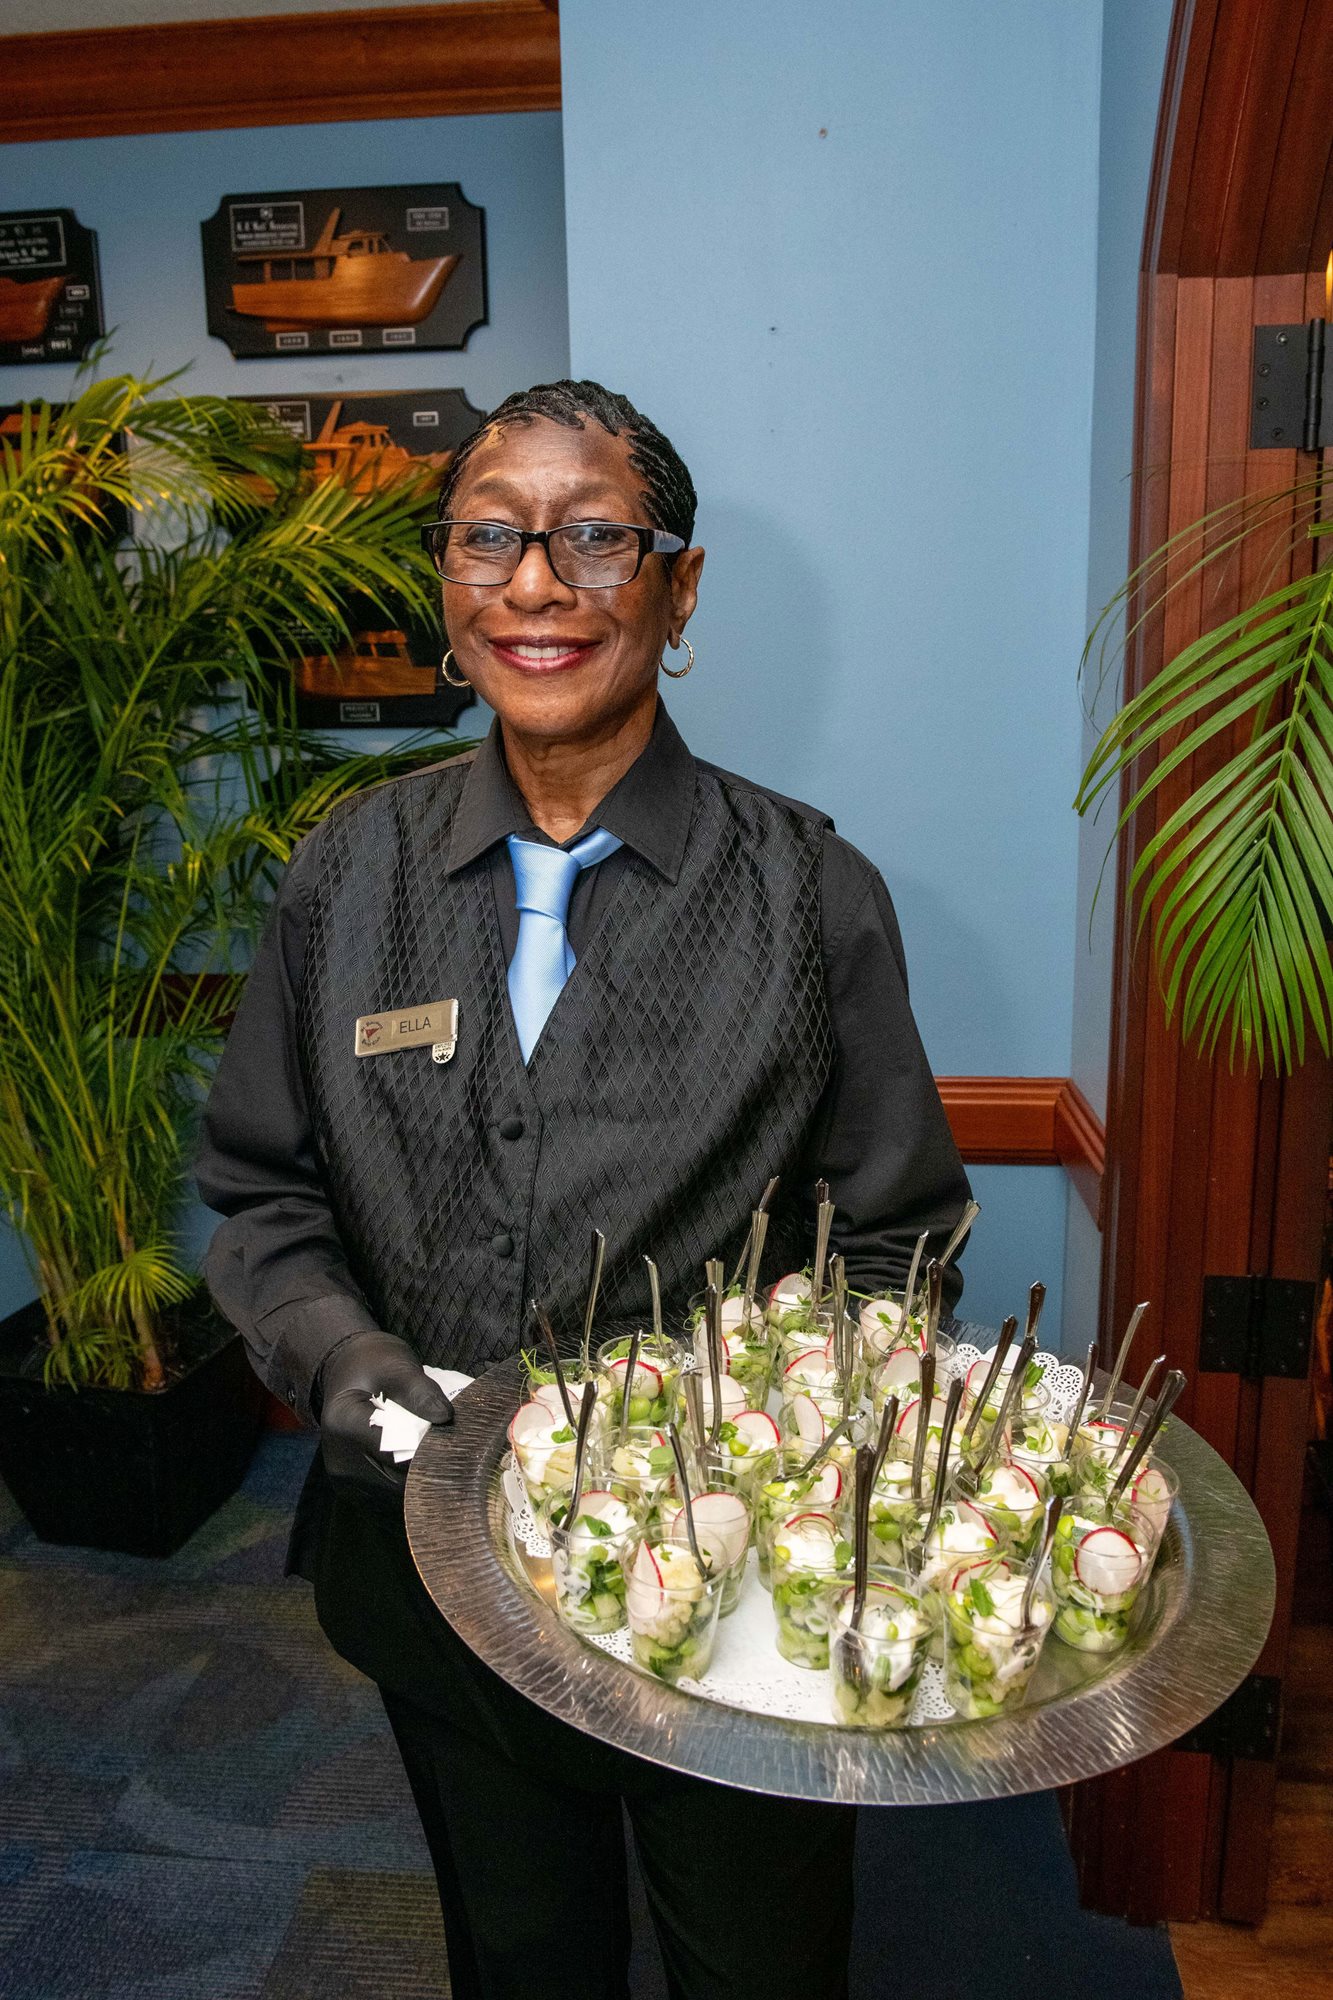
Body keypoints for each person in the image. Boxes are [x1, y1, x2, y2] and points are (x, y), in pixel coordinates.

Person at [197, 378, 971, 2000]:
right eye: (488, 539)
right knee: (522, 1952)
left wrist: (783, 1436)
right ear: (445, 585)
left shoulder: (810, 894)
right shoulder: (346, 875)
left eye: (595, 539)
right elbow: (263, 1195)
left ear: (677, 591)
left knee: (759, 1967)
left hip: (733, 1601)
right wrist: (338, 1356)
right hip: (434, 1571)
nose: (535, 585)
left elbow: (895, 1242)